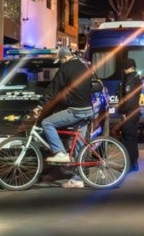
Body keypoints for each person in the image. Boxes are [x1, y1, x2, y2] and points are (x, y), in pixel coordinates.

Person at [32, 47, 100, 189]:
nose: (62, 62)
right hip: (88, 109)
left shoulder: (66, 68)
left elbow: (53, 88)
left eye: (61, 60)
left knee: (47, 123)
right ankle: (78, 179)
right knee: (79, 146)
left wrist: (40, 106)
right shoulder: (84, 66)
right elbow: (94, 86)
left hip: (77, 110)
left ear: (64, 58)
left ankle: (60, 152)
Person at [116, 58, 142, 172]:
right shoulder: (137, 77)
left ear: (127, 67)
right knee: (133, 138)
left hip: (130, 112)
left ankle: (129, 164)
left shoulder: (130, 79)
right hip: (135, 111)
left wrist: (122, 111)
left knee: (128, 138)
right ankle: (134, 163)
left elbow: (129, 99)